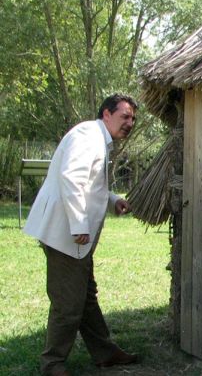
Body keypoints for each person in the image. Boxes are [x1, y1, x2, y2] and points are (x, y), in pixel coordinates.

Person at [23, 93, 140, 376]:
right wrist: (79, 225)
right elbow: (72, 177)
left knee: (85, 296)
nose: (130, 123)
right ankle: (52, 363)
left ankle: (105, 352)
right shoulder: (88, 136)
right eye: (124, 116)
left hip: (71, 236)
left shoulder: (97, 138)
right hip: (65, 235)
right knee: (68, 303)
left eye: (133, 118)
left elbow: (89, 185)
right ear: (106, 114)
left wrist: (112, 200)